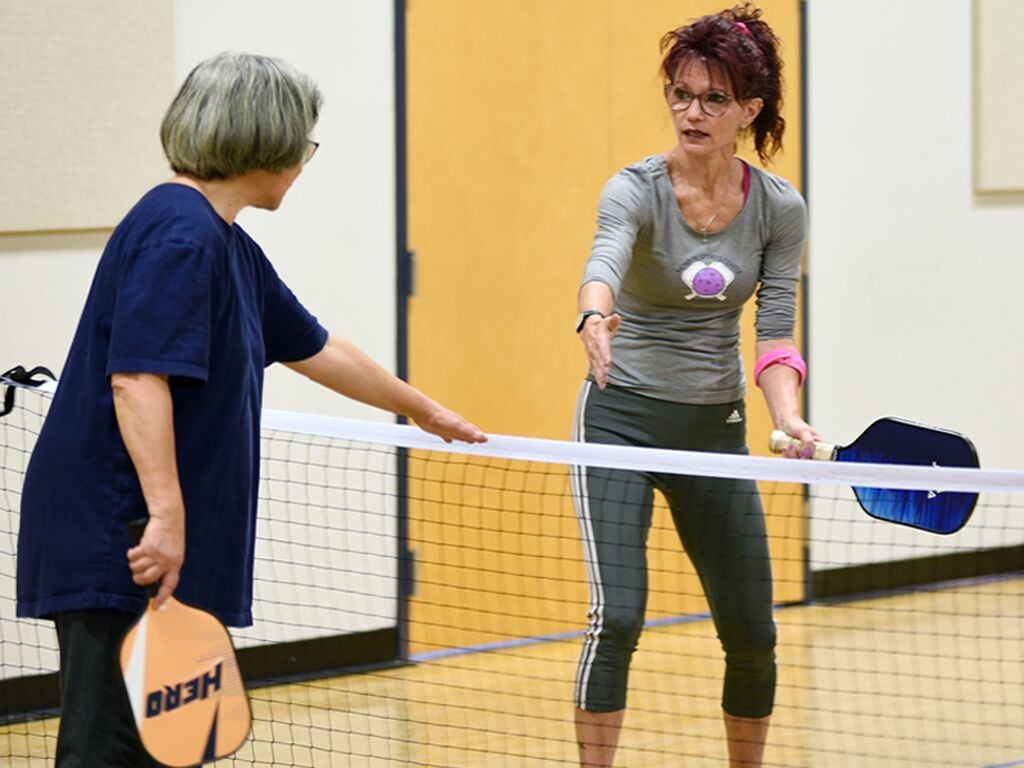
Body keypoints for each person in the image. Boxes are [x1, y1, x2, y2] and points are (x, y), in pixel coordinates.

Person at [15, 52, 486, 768]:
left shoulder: (226, 244)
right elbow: (137, 379)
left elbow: (314, 343)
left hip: (157, 536)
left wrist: (421, 409)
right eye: (304, 142)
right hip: (126, 538)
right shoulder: (181, 234)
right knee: (111, 750)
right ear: (264, 141)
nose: (306, 159)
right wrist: (167, 517)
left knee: (172, 745)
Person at [570, 5, 819, 767]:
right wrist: (593, 315)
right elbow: (605, 256)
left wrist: (789, 419)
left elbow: (774, 333)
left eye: (714, 99)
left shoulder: (778, 209)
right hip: (621, 420)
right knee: (618, 616)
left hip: (714, 431)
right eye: (680, 93)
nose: (692, 112)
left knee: (753, 630)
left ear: (749, 109)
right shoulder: (635, 189)